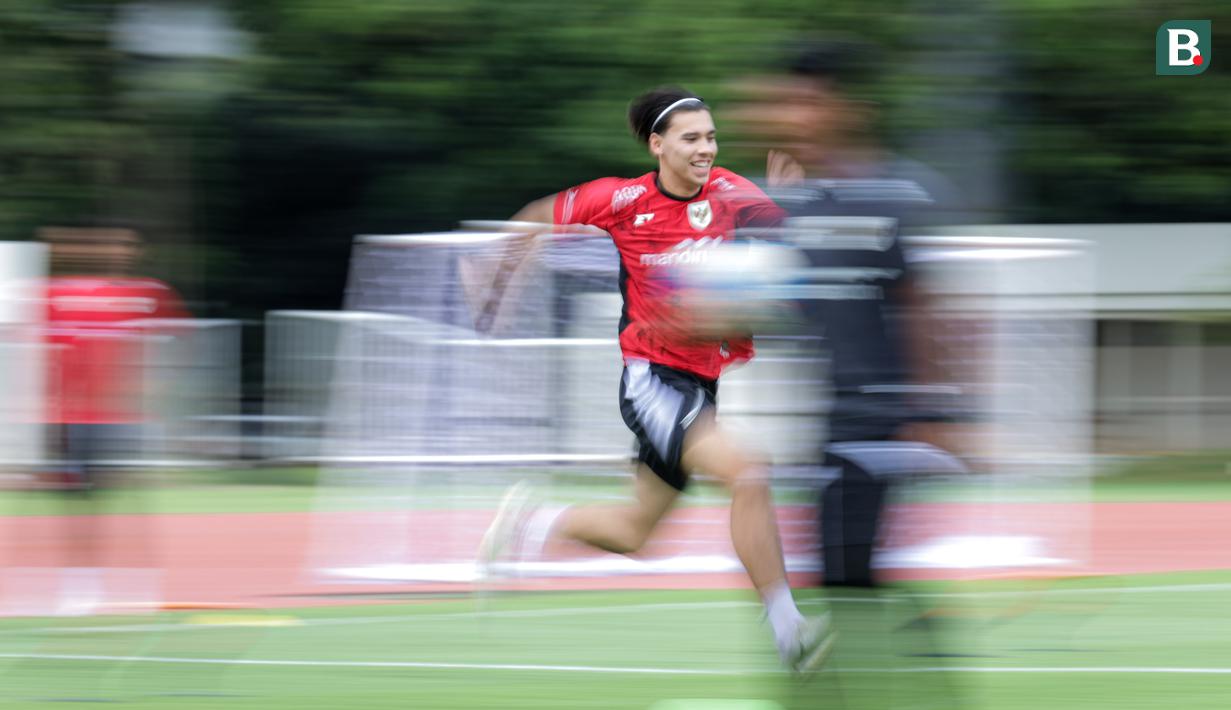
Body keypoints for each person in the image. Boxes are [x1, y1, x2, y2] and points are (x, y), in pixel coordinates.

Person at [476, 86, 833, 672]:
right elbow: (535, 219)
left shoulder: (731, 192)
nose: (706, 148)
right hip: (653, 381)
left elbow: (795, 234)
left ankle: (531, 522)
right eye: (692, 138)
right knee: (749, 473)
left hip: (702, 384)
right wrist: (496, 279)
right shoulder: (618, 200)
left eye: (711, 136)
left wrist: (791, 203)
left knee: (635, 532)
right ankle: (789, 630)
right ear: (657, 144)